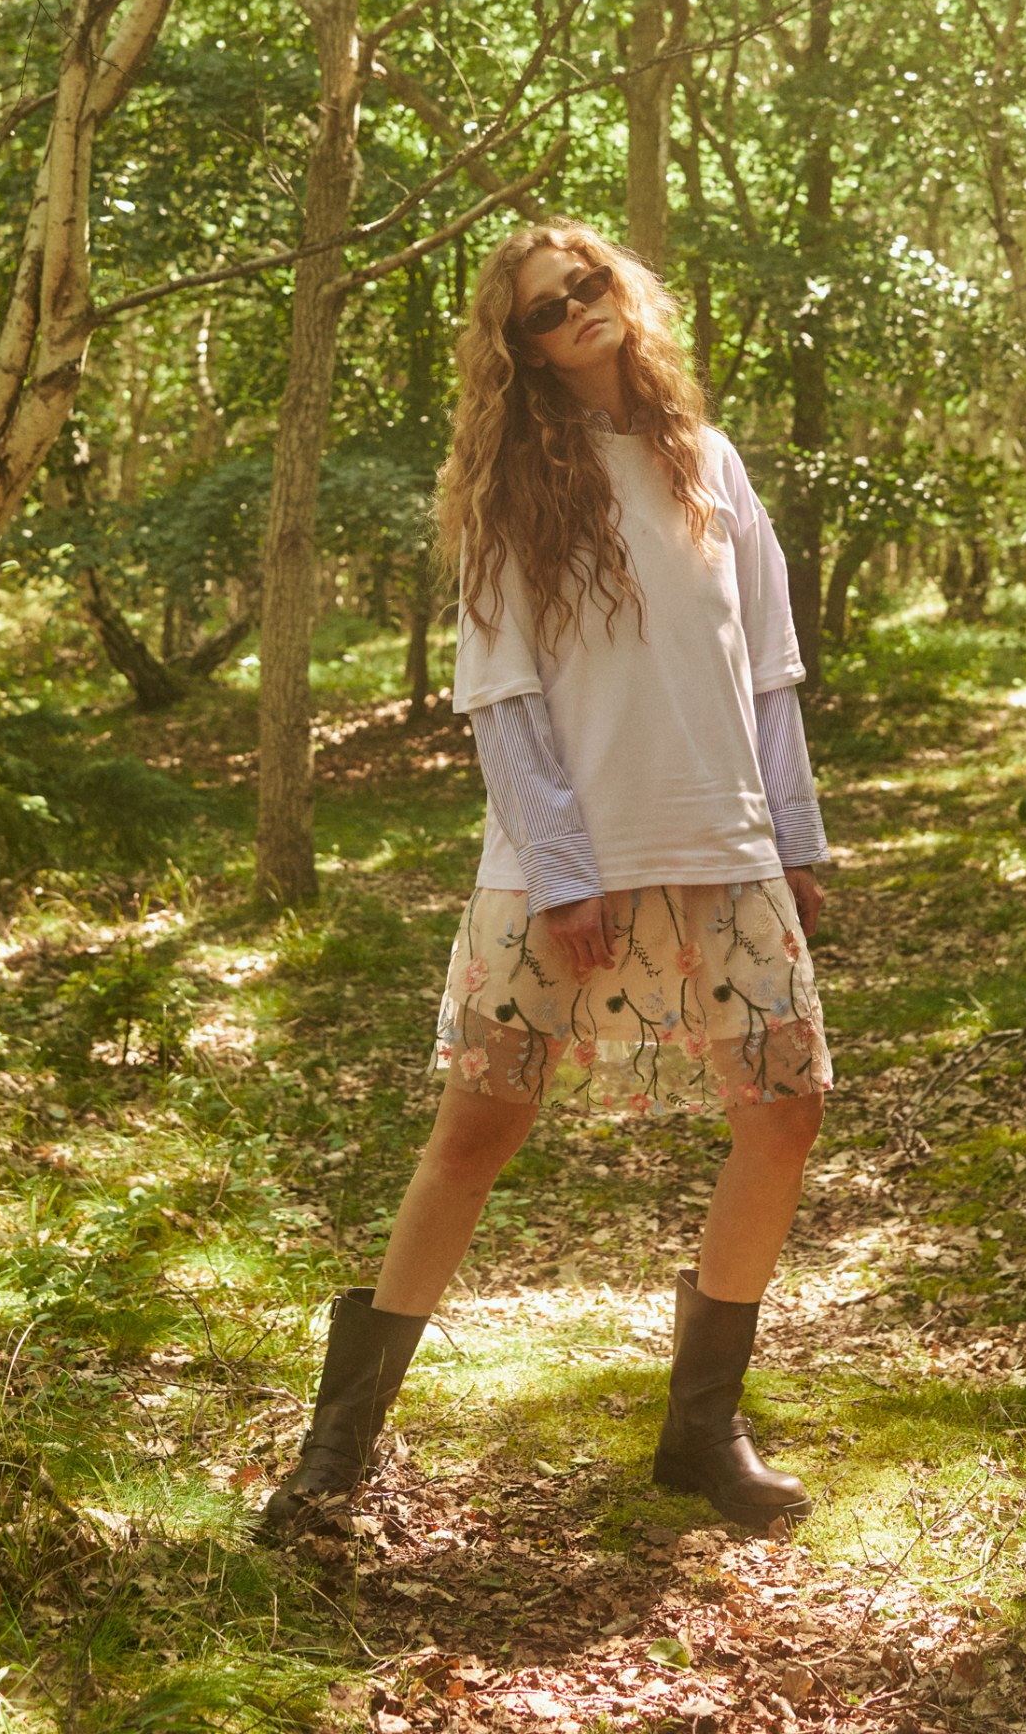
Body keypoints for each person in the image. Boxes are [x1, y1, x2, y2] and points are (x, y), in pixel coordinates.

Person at [265, 222, 832, 1536]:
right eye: (542, 309)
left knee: (786, 1115)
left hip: (725, 845)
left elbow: (770, 670)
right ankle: (337, 1449)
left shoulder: (711, 462)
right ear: (517, 350)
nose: (576, 307)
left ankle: (703, 1432)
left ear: (624, 291)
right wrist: (568, 875)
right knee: (478, 1131)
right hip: (559, 866)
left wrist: (794, 838)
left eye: (588, 283)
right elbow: (504, 696)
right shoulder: (513, 486)